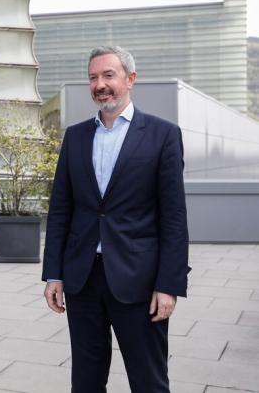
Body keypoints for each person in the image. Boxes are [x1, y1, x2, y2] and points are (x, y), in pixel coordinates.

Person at [42, 46, 190, 393]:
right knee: (86, 382)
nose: (100, 84)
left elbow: (174, 218)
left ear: (130, 79)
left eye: (108, 75)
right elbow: (61, 208)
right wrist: (54, 274)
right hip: (83, 279)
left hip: (139, 281)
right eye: (93, 77)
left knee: (149, 381)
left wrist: (169, 285)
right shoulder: (76, 136)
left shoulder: (163, 135)